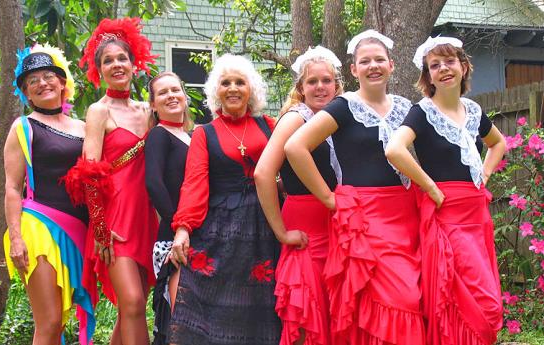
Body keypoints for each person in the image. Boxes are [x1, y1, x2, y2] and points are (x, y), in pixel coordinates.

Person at [285, 30, 426, 345]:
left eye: (379, 60)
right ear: (353, 70)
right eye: (365, 61)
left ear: (391, 65)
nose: (373, 66)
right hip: (364, 218)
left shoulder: (407, 107)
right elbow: (296, 147)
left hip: (406, 215)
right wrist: (328, 198)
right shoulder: (344, 106)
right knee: (393, 296)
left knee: (412, 296)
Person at [385, 36, 505, 345]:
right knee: (477, 302)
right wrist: (431, 188)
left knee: (476, 299)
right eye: (434, 65)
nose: (443, 69)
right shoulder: (422, 112)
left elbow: (498, 143)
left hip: (477, 216)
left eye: (449, 62)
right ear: (428, 76)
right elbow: (395, 150)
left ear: (464, 67)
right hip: (446, 218)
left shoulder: (474, 111)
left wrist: (486, 172)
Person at [168, 54, 281, 345]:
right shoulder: (204, 134)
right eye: (226, 82)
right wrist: (183, 228)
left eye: (240, 82)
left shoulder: (271, 125)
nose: (233, 88)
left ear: (251, 90)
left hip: (267, 228)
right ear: (215, 91)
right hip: (221, 233)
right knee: (215, 310)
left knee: (265, 309)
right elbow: (194, 182)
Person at [63, 17, 158, 345]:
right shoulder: (98, 111)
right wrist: (100, 228)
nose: (116, 64)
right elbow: (88, 173)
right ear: (98, 70)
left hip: (147, 216)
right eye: (108, 60)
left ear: (135, 64)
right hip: (114, 219)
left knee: (134, 307)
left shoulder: (148, 110)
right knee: (131, 301)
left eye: (122, 58)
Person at [3, 43, 95, 345]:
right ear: (26, 93)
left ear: (62, 82)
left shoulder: (85, 127)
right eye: (33, 81)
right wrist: (16, 238)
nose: (42, 83)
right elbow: (12, 188)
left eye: (48, 76)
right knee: (50, 320)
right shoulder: (24, 126)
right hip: (39, 229)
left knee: (60, 323)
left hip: (80, 233)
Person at [254, 46, 343, 345]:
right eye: (312, 82)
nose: (320, 87)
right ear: (301, 88)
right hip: (306, 230)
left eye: (326, 80)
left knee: (333, 313)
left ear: (337, 85)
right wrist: (281, 232)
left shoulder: (337, 117)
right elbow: (263, 173)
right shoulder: (296, 118)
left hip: (337, 227)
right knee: (307, 315)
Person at [145, 71, 192, 345]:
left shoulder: (193, 136)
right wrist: (179, 227)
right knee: (180, 323)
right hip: (173, 238)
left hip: (198, 235)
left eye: (175, 90)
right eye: (163, 93)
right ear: (153, 104)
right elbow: (154, 184)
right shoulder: (159, 136)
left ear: (185, 97)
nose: (171, 96)